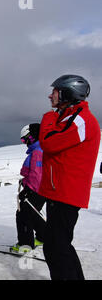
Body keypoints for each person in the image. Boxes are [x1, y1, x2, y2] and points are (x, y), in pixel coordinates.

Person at [38, 74, 100, 280]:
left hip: (66, 192)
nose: (50, 96)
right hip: (59, 191)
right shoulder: (68, 117)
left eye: (54, 92)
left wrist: (48, 117)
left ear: (67, 93)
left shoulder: (82, 119)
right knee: (58, 246)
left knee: (57, 248)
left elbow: (49, 142)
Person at [11, 123, 46, 253]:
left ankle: (25, 245)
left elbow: (37, 175)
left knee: (23, 214)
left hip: (36, 190)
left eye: (26, 139)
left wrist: (28, 190)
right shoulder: (39, 149)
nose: (25, 142)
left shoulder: (37, 151)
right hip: (39, 189)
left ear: (33, 136)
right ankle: (43, 236)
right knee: (33, 213)